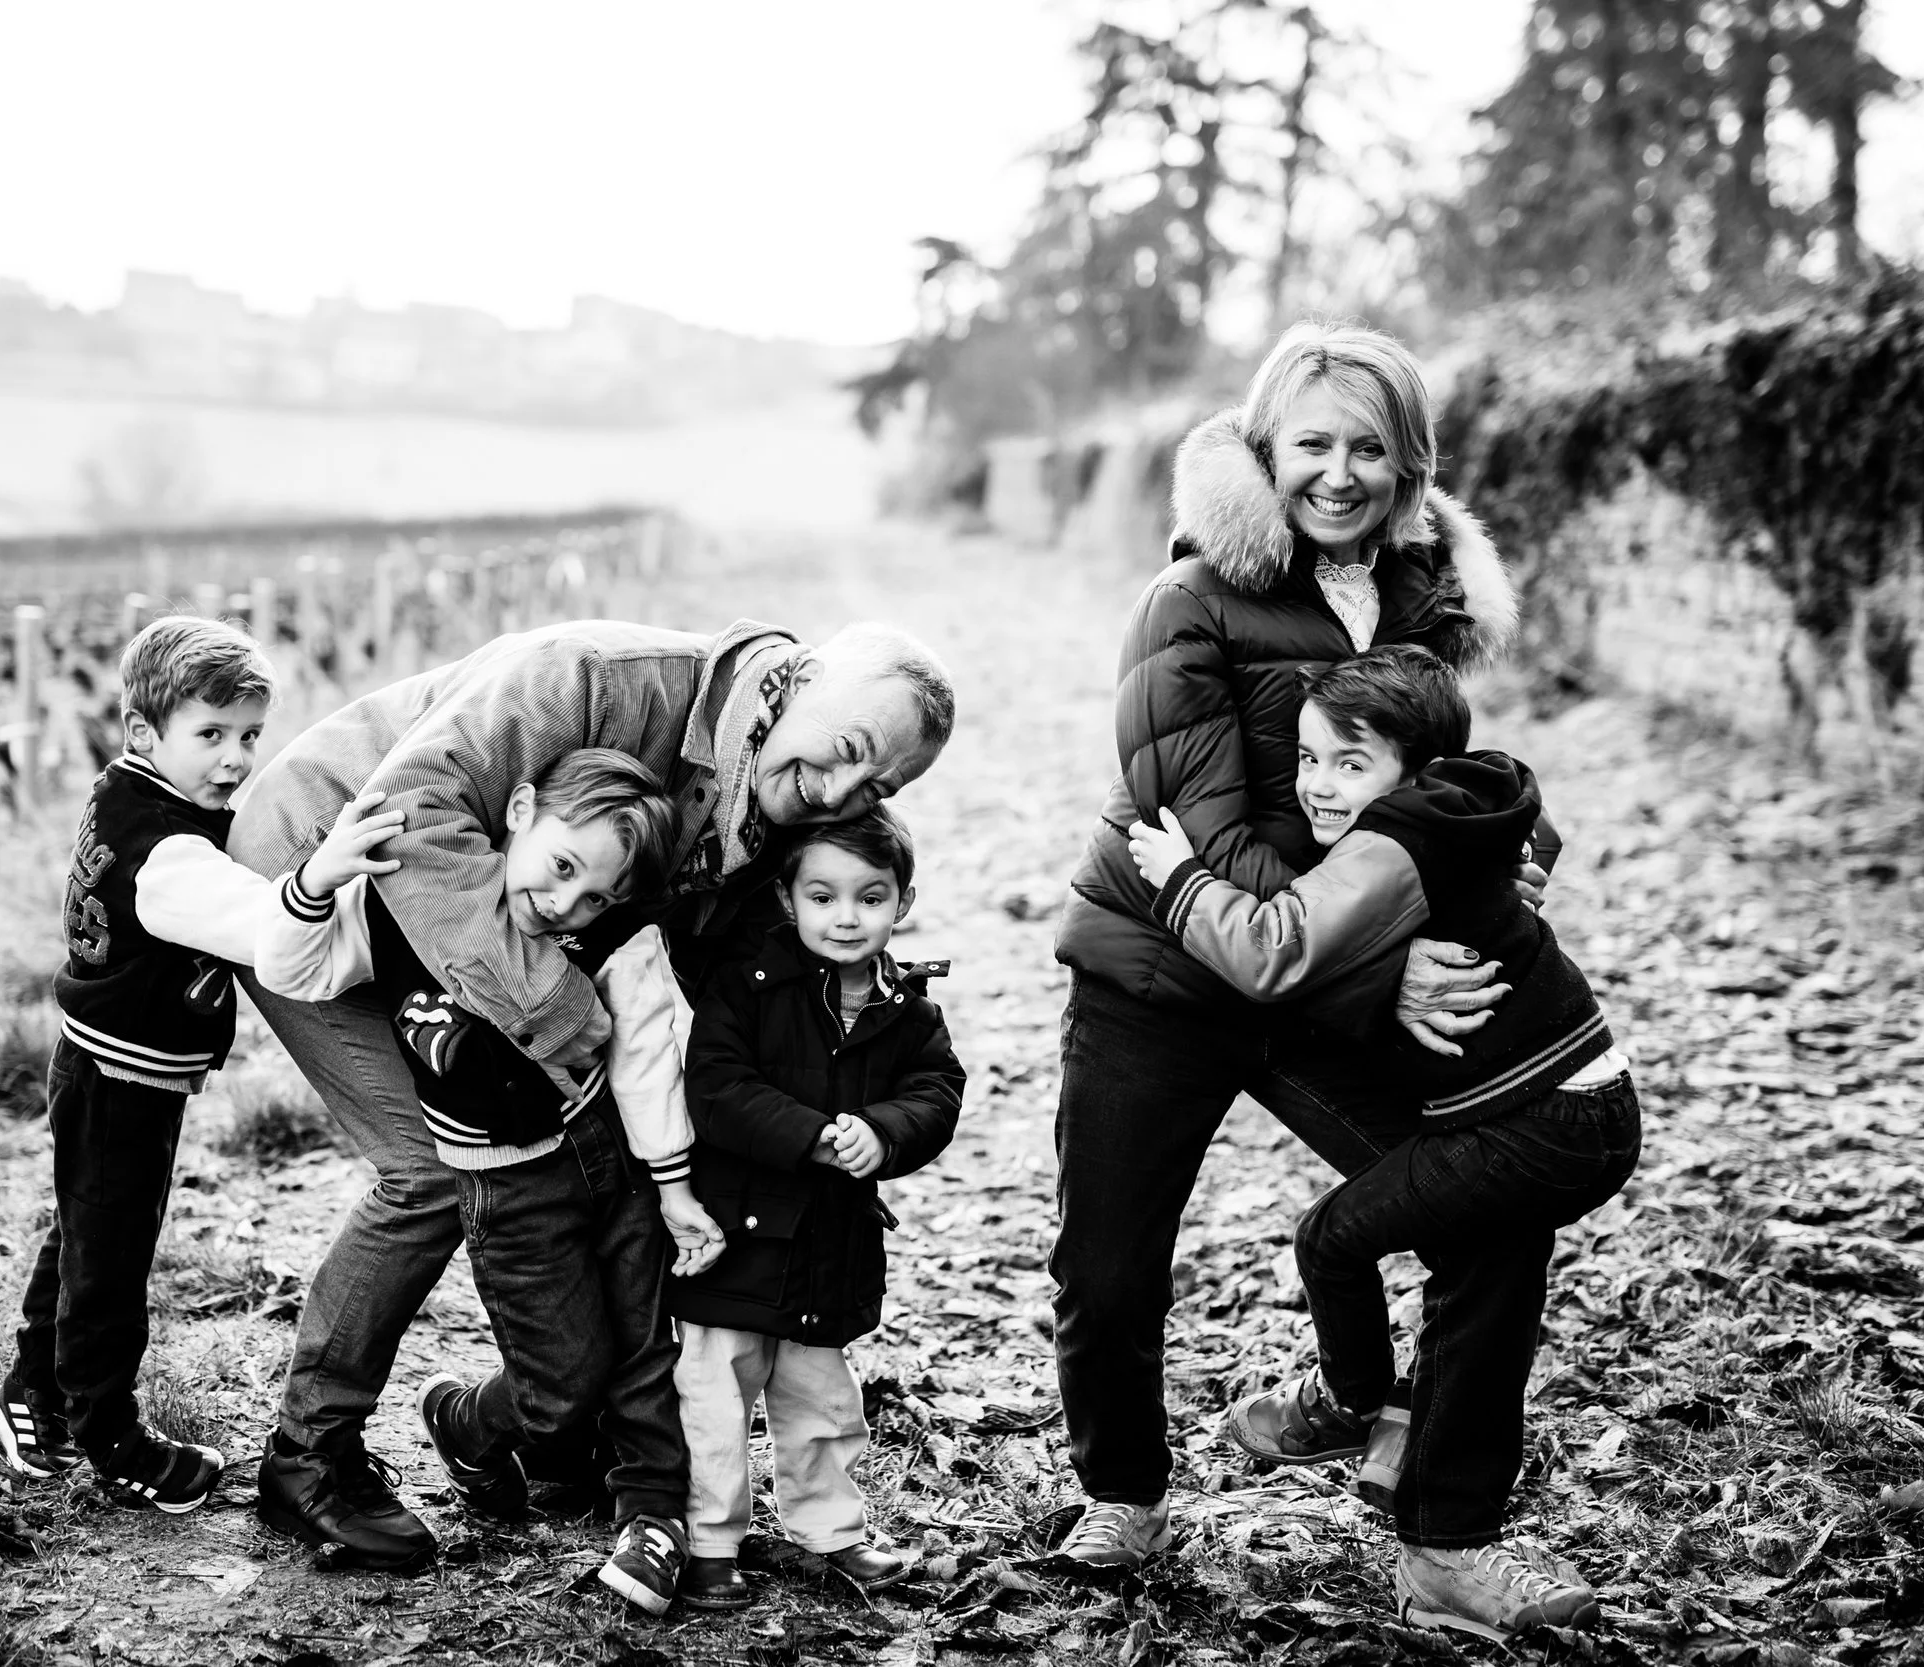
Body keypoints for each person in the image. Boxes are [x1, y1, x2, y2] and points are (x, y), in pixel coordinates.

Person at [227, 617, 956, 1570]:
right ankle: (306, 1457)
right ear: (802, 675)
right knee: (430, 1172)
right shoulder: (595, 680)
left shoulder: (770, 803)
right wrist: (565, 1014)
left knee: (610, 1158)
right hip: (327, 879)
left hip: (499, 928)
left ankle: (541, 1423)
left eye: (878, 788)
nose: (841, 792)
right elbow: (412, 807)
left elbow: (705, 974)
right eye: (850, 751)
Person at [1046, 319, 1530, 1571]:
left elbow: (1427, 798)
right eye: (1311, 442)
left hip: (1316, 980)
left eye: (1370, 446)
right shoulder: (1190, 600)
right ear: (1265, 448)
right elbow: (1198, 835)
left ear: (1410, 462)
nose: (1339, 472)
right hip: (1163, 967)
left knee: (1489, 1206)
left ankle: (1428, 1495)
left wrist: (1501, 863)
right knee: (1108, 1267)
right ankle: (1126, 1492)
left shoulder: (1425, 606)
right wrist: (1382, 956)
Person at [1124, 644, 1637, 1641]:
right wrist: (1515, 868)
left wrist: (1178, 878)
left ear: (1411, 771)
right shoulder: (1471, 795)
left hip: (1545, 1124)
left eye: (1346, 764)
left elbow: (1274, 946)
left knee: (1331, 1238)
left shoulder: (1388, 847)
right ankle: (1426, 1505)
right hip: (1569, 1102)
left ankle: (1357, 1401)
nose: (1315, 783)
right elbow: (1533, 823)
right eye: (1307, 757)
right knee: (1467, 1252)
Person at [255, 748, 722, 1612]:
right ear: (518, 811)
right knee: (561, 1390)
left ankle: (655, 1514)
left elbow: (648, 1055)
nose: (566, 905)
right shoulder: (404, 910)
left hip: (611, 1157)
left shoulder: (617, 937)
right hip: (507, 1187)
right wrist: (317, 879)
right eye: (562, 867)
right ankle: (468, 1421)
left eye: (597, 895)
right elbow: (290, 969)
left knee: (645, 1337)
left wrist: (672, 1183)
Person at [0, 615, 407, 1513]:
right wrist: (322, 873)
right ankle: (110, 1436)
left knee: (86, 1231)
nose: (235, 759)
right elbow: (260, 926)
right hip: (118, 1077)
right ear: (144, 732)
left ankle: (29, 1388)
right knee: (111, 1260)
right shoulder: (168, 852)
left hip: (113, 1065)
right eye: (209, 735)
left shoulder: (135, 793)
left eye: (249, 735)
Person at [666, 808, 965, 1611]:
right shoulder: (748, 984)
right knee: (715, 1393)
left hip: (828, 1243)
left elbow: (936, 1093)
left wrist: (883, 1133)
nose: (846, 916)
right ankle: (710, 1542)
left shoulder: (910, 1009)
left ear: (902, 902)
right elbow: (718, 1087)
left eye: (870, 897)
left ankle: (832, 1531)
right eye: (824, 895)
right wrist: (811, 1136)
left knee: (823, 1402)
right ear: (788, 900)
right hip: (734, 1232)